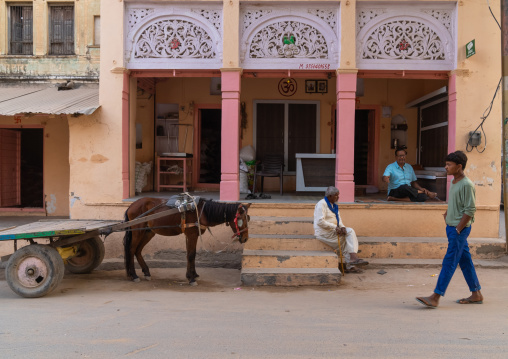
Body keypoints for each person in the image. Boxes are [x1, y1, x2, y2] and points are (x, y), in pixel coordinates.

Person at [416, 151, 482, 308]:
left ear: (459, 167)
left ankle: (436, 296)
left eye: (449, 165)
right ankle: (476, 293)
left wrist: (458, 229)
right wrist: (447, 213)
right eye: (446, 164)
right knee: (465, 262)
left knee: (449, 262)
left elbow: (470, 210)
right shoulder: (454, 182)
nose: (446, 167)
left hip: (459, 229)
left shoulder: (467, 184)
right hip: (452, 228)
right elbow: (457, 203)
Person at [314, 186, 368, 273]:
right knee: (350, 232)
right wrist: (334, 227)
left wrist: (342, 227)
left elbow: (338, 219)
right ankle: (353, 259)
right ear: (330, 196)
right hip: (324, 234)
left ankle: (351, 264)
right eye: (336, 195)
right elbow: (320, 222)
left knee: (348, 236)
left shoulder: (334, 206)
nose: (338, 197)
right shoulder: (321, 204)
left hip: (333, 231)